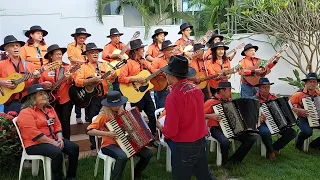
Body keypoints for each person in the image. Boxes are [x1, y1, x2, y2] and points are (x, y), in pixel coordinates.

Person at [156, 55, 213, 180]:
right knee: (204, 176)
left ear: (172, 75)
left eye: (167, 73)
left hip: (184, 144)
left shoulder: (173, 97)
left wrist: (161, 127)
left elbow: (171, 131)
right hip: (201, 139)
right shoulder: (196, 89)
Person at [17, 84, 79, 180]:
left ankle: (71, 177)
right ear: (32, 98)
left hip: (52, 138)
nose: (45, 96)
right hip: (34, 144)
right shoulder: (26, 112)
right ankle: (58, 178)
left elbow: (57, 125)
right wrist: (53, 142)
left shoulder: (50, 109)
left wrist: (59, 138)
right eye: (40, 94)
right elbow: (34, 134)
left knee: (74, 148)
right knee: (57, 153)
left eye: (45, 94)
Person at [87, 91, 153, 180]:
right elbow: (89, 131)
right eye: (115, 105)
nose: (117, 106)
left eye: (119, 104)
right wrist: (107, 134)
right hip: (109, 145)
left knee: (148, 153)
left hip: (127, 143)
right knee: (122, 156)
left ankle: (136, 174)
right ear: (109, 105)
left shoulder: (124, 114)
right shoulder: (103, 116)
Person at [74, 43, 116, 149]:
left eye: (97, 52)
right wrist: (92, 80)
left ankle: (107, 142)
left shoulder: (104, 65)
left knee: (107, 119)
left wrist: (114, 74)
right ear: (86, 55)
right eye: (92, 52)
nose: (95, 54)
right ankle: (94, 145)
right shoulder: (82, 67)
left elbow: (111, 78)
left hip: (104, 97)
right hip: (91, 98)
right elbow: (77, 82)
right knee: (92, 120)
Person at [204, 81, 257, 166]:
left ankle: (234, 161)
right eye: (229, 90)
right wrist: (211, 116)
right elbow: (198, 115)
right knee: (225, 142)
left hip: (232, 127)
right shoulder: (211, 102)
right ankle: (224, 163)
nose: (230, 92)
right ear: (222, 91)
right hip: (216, 128)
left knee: (251, 138)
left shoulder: (230, 101)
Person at [118, 39, 157, 136]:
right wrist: (136, 79)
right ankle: (140, 138)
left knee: (152, 115)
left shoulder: (143, 61)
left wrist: (162, 70)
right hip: (134, 94)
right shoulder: (127, 63)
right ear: (135, 51)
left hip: (146, 93)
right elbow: (121, 78)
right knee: (137, 118)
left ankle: (151, 135)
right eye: (141, 48)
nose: (143, 50)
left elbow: (153, 70)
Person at [255, 78, 297, 159]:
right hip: (263, 123)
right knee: (265, 133)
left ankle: (275, 148)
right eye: (264, 87)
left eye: (268, 87)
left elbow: (282, 108)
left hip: (277, 122)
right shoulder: (254, 99)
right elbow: (250, 114)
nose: (266, 89)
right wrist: (258, 117)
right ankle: (271, 152)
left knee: (292, 133)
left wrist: (291, 109)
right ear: (259, 88)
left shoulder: (274, 97)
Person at [40, 44, 74, 139]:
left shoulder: (66, 67)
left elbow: (71, 82)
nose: (60, 56)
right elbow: (39, 82)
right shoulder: (44, 68)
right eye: (57, 54)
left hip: (65, 98)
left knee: (65, 122)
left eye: (60, 54)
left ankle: (67, 143)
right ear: (51, 55)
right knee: (54, 121)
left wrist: (69, 78)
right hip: (50, 99)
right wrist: (44, 84)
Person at [0, 35, 41, 113]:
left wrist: (36, 78)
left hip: (27, 101)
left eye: (17, 45)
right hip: (10, 102)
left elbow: (33, 85)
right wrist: (1, 82)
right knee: (11, 124)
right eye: (12, 46)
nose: (16, 47)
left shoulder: (29, 65)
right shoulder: (1, 64)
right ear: (6, 49)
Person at [67, 27, 91, 124]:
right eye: (80, 38)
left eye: (84, 38)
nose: (82, 40)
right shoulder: (71, 46)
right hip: (75, 72)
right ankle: (78, 115)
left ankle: (87, 116)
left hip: (86, 72)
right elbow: (71, 58)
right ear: (76, 37)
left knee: (87, 94)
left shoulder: (86, 46)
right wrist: (84, 61)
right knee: (77, 94)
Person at [290, 73, 320, 150]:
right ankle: (298, 143)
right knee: (308, 132)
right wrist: (298, 110)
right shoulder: (298, 94)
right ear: (306, 83)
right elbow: (289, 107)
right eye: (310, 81)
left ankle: (314, 144)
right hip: (301, 118)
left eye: (314, 82)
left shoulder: (318, 94)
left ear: (317, 83)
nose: (312, 83)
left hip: (316, 117)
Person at [151, 40, 176, 109]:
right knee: (161, 108)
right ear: (164, 51)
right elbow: (151, 70)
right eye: (169, 50)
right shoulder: (157, 60)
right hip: (161, 87)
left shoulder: (176, 60)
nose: (171, 51)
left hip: (174, 87)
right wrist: (162, 72)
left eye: (172, 49)